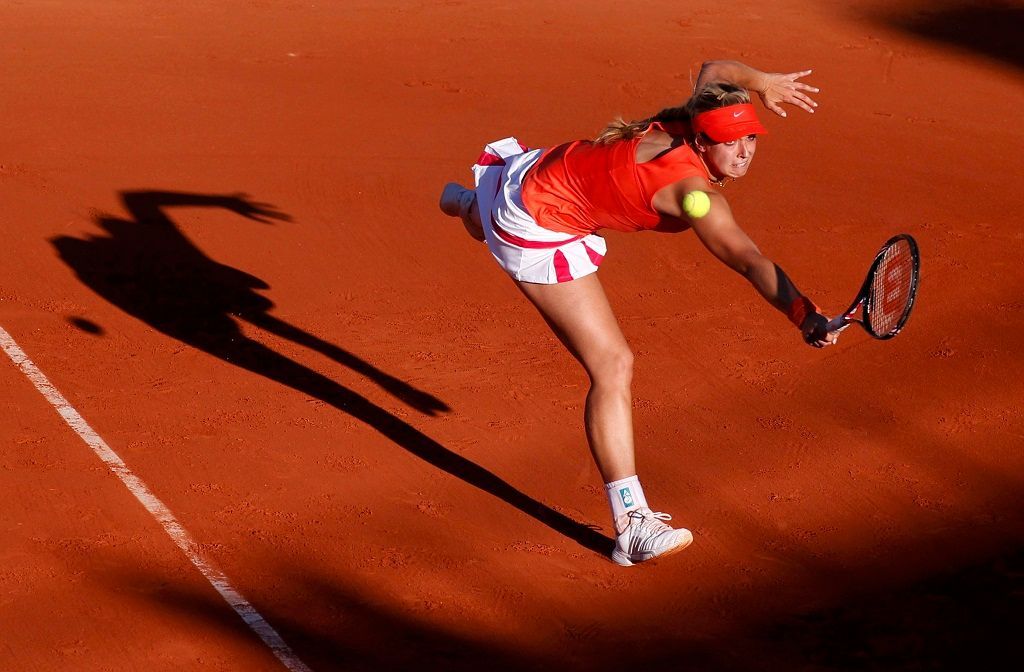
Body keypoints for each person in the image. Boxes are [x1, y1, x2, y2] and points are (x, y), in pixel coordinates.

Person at [439, 60, 838, 567]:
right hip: (542, 219)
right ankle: (631, 526)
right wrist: (801, 310)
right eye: (730, 143)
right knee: (613, 365)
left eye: (751, 140)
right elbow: (746, 258)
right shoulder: (695, 197)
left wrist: (761, 84)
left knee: (493, 213)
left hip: (545, 170)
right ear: (701, 141)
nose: (743, 153)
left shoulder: (696, 112)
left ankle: (469, 204)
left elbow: (714, 67)